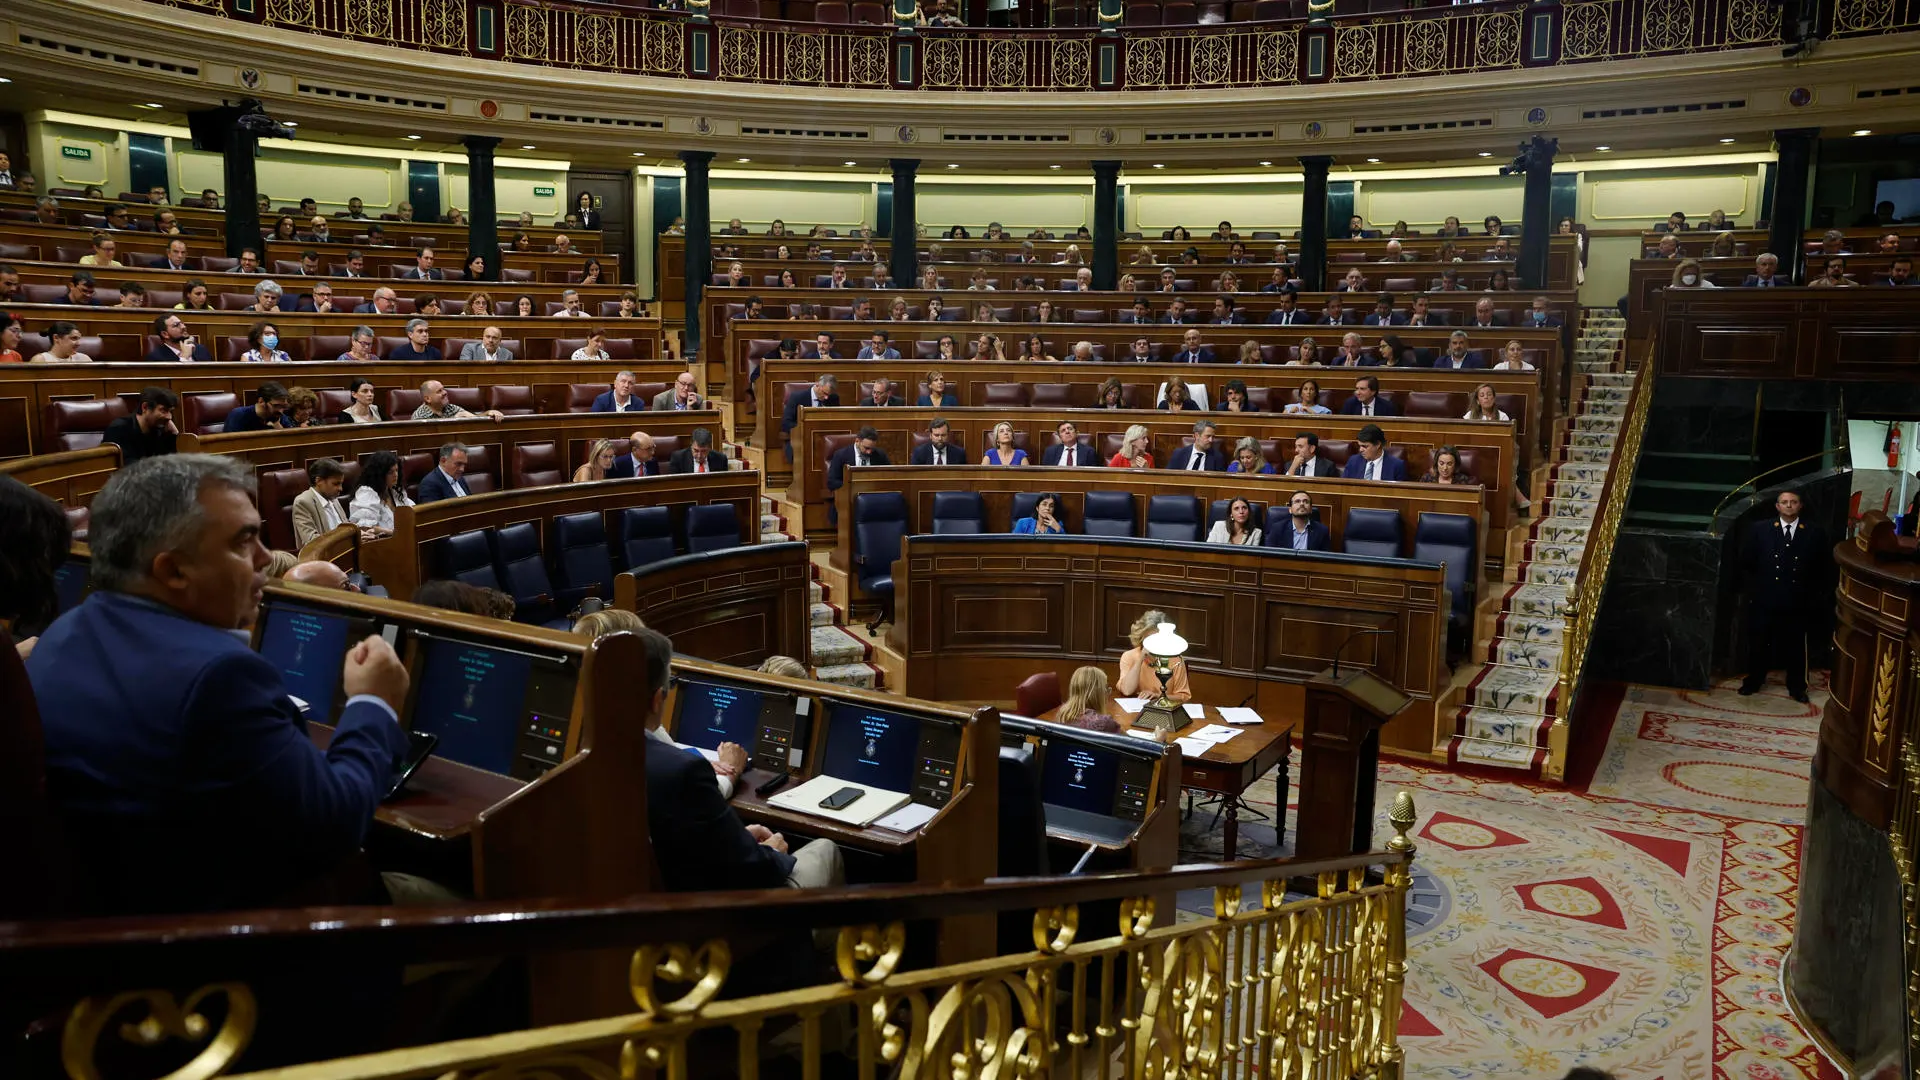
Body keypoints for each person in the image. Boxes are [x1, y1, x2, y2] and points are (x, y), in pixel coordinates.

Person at [27, 455, 409, 915]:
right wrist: (373, 703)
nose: (267, 560)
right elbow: (334, 826)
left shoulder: (61, 635)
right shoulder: (220, 677)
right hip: (222, 947)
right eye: (244, 541)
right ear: (173, 572)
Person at [1739, 490, 1825, 703]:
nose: (1789, 506)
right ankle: (1754, 681)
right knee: (1759, 642)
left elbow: (1820, 567)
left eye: (1793, 502)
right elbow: (1748, 561)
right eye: (1784, 502)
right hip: (1765, 597)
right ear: (1777, 506)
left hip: (1797, 599)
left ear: (1800, 505)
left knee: (1796, 646)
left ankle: (1797, 687)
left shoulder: (1813, 532)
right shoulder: (1760, 529)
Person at [1117, 609, 1190, 703]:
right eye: (1151, 639)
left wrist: (1158, 696)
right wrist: (1141, 659)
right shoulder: (1128, 656)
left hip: (1164, 711)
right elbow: (1127, 691)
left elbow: (1183, 696)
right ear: (1142, 636)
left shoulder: (1175, 659)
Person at [101, 386, 179, 464]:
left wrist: (173, 436)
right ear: (145, 407)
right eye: (163, 410)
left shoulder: (159, 430)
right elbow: (127, 467)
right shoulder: (118, 429)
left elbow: (170, 464)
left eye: (170, 411)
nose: (169, 417)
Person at [781, 374, 840, 463]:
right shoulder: (797, 397)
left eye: (829, 394)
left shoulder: (833, 399)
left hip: (825, 440)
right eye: (824, 393)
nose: (826, 397)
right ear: (817, 385)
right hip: (802, 439)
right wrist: (806, 430)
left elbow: (837, 422)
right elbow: (786, 423)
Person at [292, 458, 349, 548]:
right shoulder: (303, 502)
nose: (340, 489)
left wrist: (359, 534)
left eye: (341, 484)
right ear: (318, 481)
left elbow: (346, 527)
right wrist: (345, 539)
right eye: (335, 484)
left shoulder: (333, 499)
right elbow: (312, 541)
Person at [827, 426, 891, 496]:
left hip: (874, 496)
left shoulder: (880, 455)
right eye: (866, 448)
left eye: (872, 448)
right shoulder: (840, 455)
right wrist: (855, 487)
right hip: (849, 497)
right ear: (857, 441)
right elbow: (832, 482)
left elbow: (889, 477)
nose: (869, 452)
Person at [413, 380, 505, 421]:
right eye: (439, 391)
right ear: (428, 399)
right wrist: (454, 420)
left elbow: (475, 418)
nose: (445, 393)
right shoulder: (420, 417)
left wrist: (488, 413)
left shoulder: (451, 408)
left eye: (443, 389)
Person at [1343, 424, 1407, 481]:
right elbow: (1344, 487)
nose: (1360, 450)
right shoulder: (1353, 461)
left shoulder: (1396, 465)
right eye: (1359, 446)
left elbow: (1400, 492)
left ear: (1378, 444)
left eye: (1365, 446)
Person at [222, 382, 290, 433]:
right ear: (261, 401)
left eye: (284, 406)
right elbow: (230, 445)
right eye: (276, 406)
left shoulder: (279, 417)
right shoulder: (238, 415)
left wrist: (279, 429)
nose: (281, 411)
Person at [146, 313, 212, 362]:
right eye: (176, 325)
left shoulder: (201, 350)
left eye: (182, 323)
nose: (183, 327)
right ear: (165, 334)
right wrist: (184, 358)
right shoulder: (156, 358)